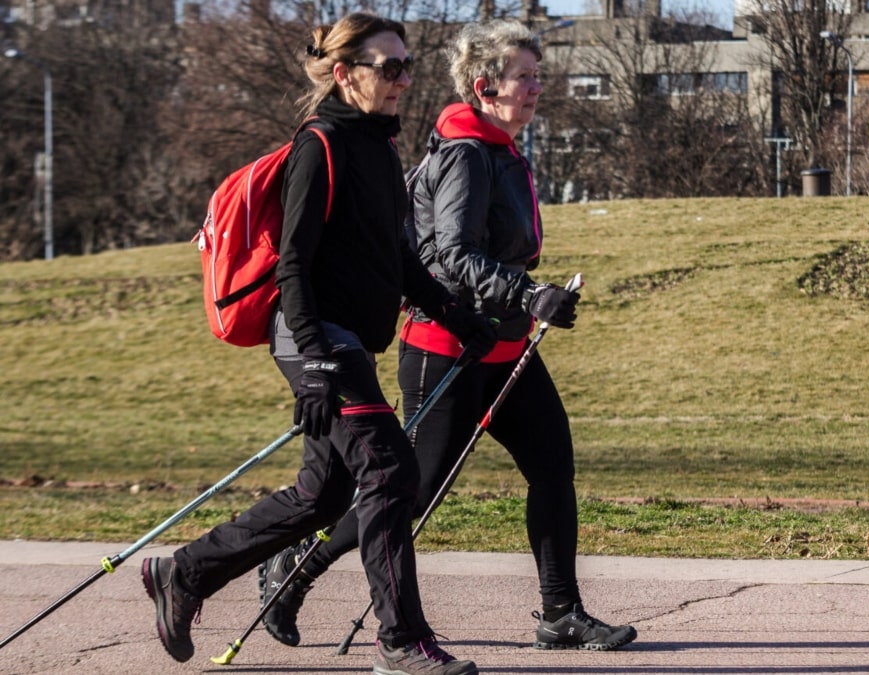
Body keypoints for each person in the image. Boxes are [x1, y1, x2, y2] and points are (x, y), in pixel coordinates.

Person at [256, 19, 638, 653]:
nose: (538, 87)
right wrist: (525, 293)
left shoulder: (500, 148)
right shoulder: (466, 153)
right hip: (446, 349)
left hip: (505, 345)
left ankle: (561, 612)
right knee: (407, 490)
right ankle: (294, 569)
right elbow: (451, 255)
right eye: (526, 77)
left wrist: (529, 297)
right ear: (486, 86)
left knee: (552, 468)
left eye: (538, 75)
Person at [141, 13, 495, 675]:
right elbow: (293, 263)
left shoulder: (381, 149)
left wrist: (456, 315)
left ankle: (183, 573)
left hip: (342, 339)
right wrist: (313, 362)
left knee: (323, 494)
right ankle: (401, 641)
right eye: (390, 68)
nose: (404, 80)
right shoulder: (321, 144)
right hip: (316, 337)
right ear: (344, 73)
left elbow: (400, 257)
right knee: (390, 468)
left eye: (407, 65)